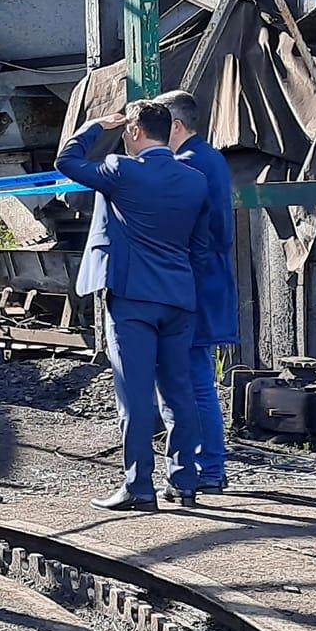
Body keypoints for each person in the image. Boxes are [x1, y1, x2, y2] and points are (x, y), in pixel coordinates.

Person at [56, 100, 215, 512]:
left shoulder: (122, 171)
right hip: (180, 298)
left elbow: (67, 161)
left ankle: (138, 486)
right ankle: (184, 482)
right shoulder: (195, 181)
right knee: (180, 393)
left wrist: (95, 125)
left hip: (133, 302)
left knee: (136, 397)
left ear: (135, 133)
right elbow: (200, 248)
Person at [155, 90, 237, 505]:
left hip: (192, 286)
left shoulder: (187, 166)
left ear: (176, 126)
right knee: (198, 378)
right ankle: (212, 467)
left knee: (192, 381)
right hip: (207, 282)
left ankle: (209, 468)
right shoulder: (211, 159)